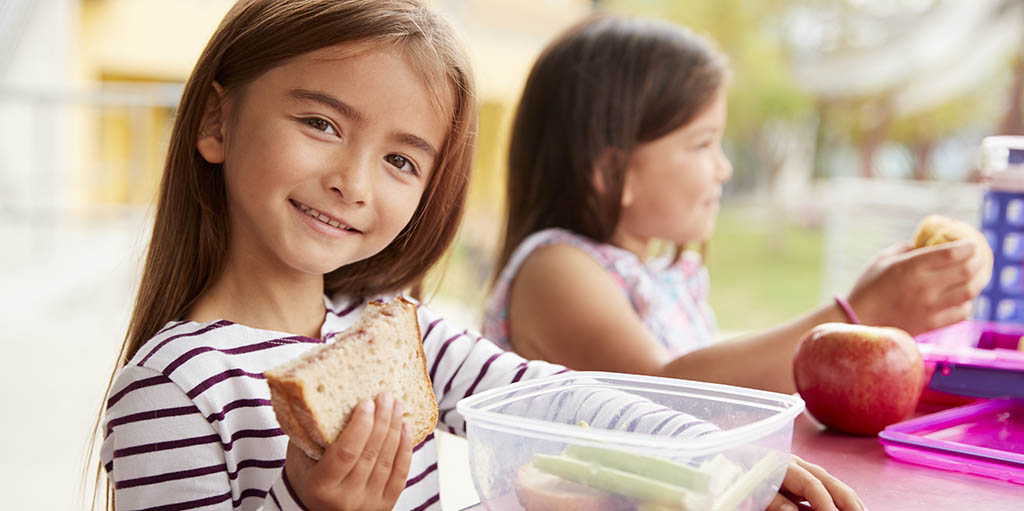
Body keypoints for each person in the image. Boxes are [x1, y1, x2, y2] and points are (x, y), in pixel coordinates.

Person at [92, 2, 862, 510]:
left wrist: (710, 457)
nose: (352, 181)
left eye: (401, 160)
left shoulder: (406, 338)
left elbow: (554, 400)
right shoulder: (173, 386)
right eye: (321, 123)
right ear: (219, 124)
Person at [484, 14, 989, 395]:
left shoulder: (657, 273)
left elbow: (729, 375)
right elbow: (669, 392)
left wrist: (876, 317)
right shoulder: (555, 269)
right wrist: (859, 314)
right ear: (609, 171)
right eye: (703, 144)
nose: (724, 168)